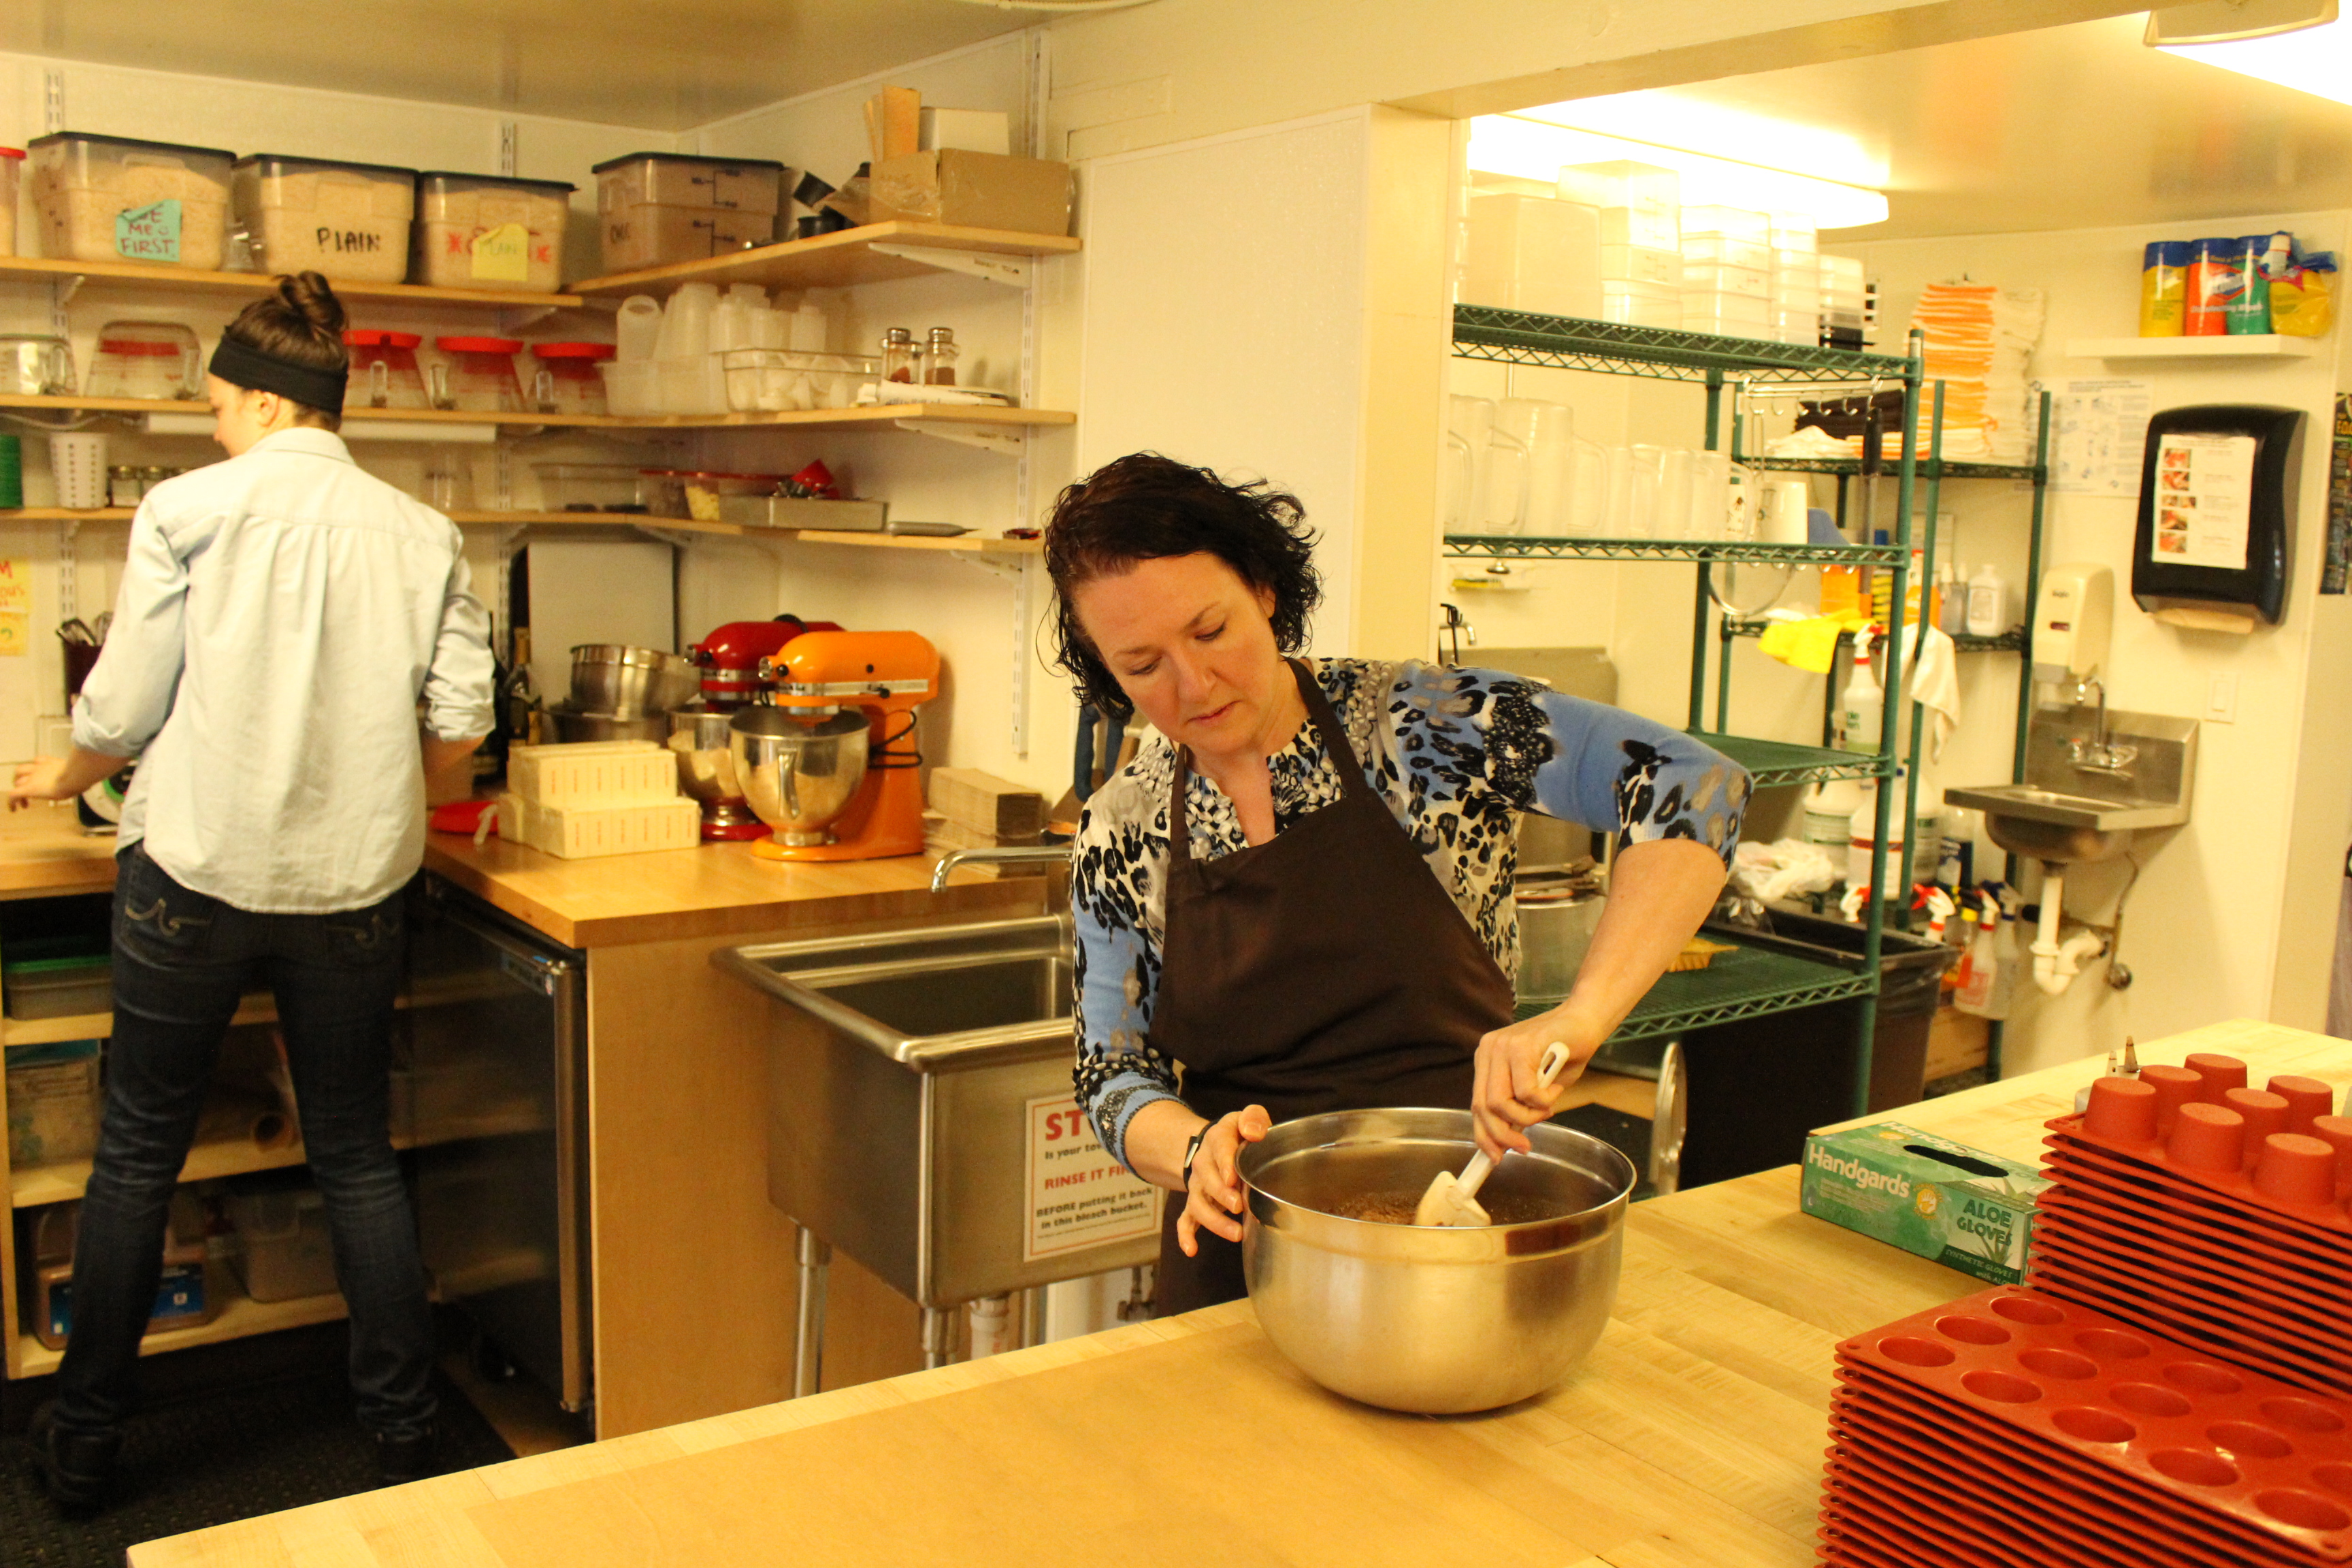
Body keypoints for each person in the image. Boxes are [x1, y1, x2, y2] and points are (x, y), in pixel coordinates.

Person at [1049, 453, 1750, 1313]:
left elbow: (1692, 785)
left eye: (1210, 631)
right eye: (1142, 665)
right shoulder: (1125, 824)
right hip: (1249, 1257)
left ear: (1263, 588)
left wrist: (1581, 1017)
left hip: (1466, 1222)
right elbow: (1113, 1074)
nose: (1194, 684)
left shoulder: (1428, 728)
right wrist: (1198, 1151)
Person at [7, 272, 494, 1509]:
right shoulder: (423, 534)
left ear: (269, 403)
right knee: (355, 1152)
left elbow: (120, 710)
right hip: (353, 891)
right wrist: (374, 790)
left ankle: (83, 1446)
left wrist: (58, 774)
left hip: (194, 876)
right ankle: (403, 1435)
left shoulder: (185, 510)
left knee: (137, 1154)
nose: (215, 427)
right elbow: (461, 725)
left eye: (220, 406)